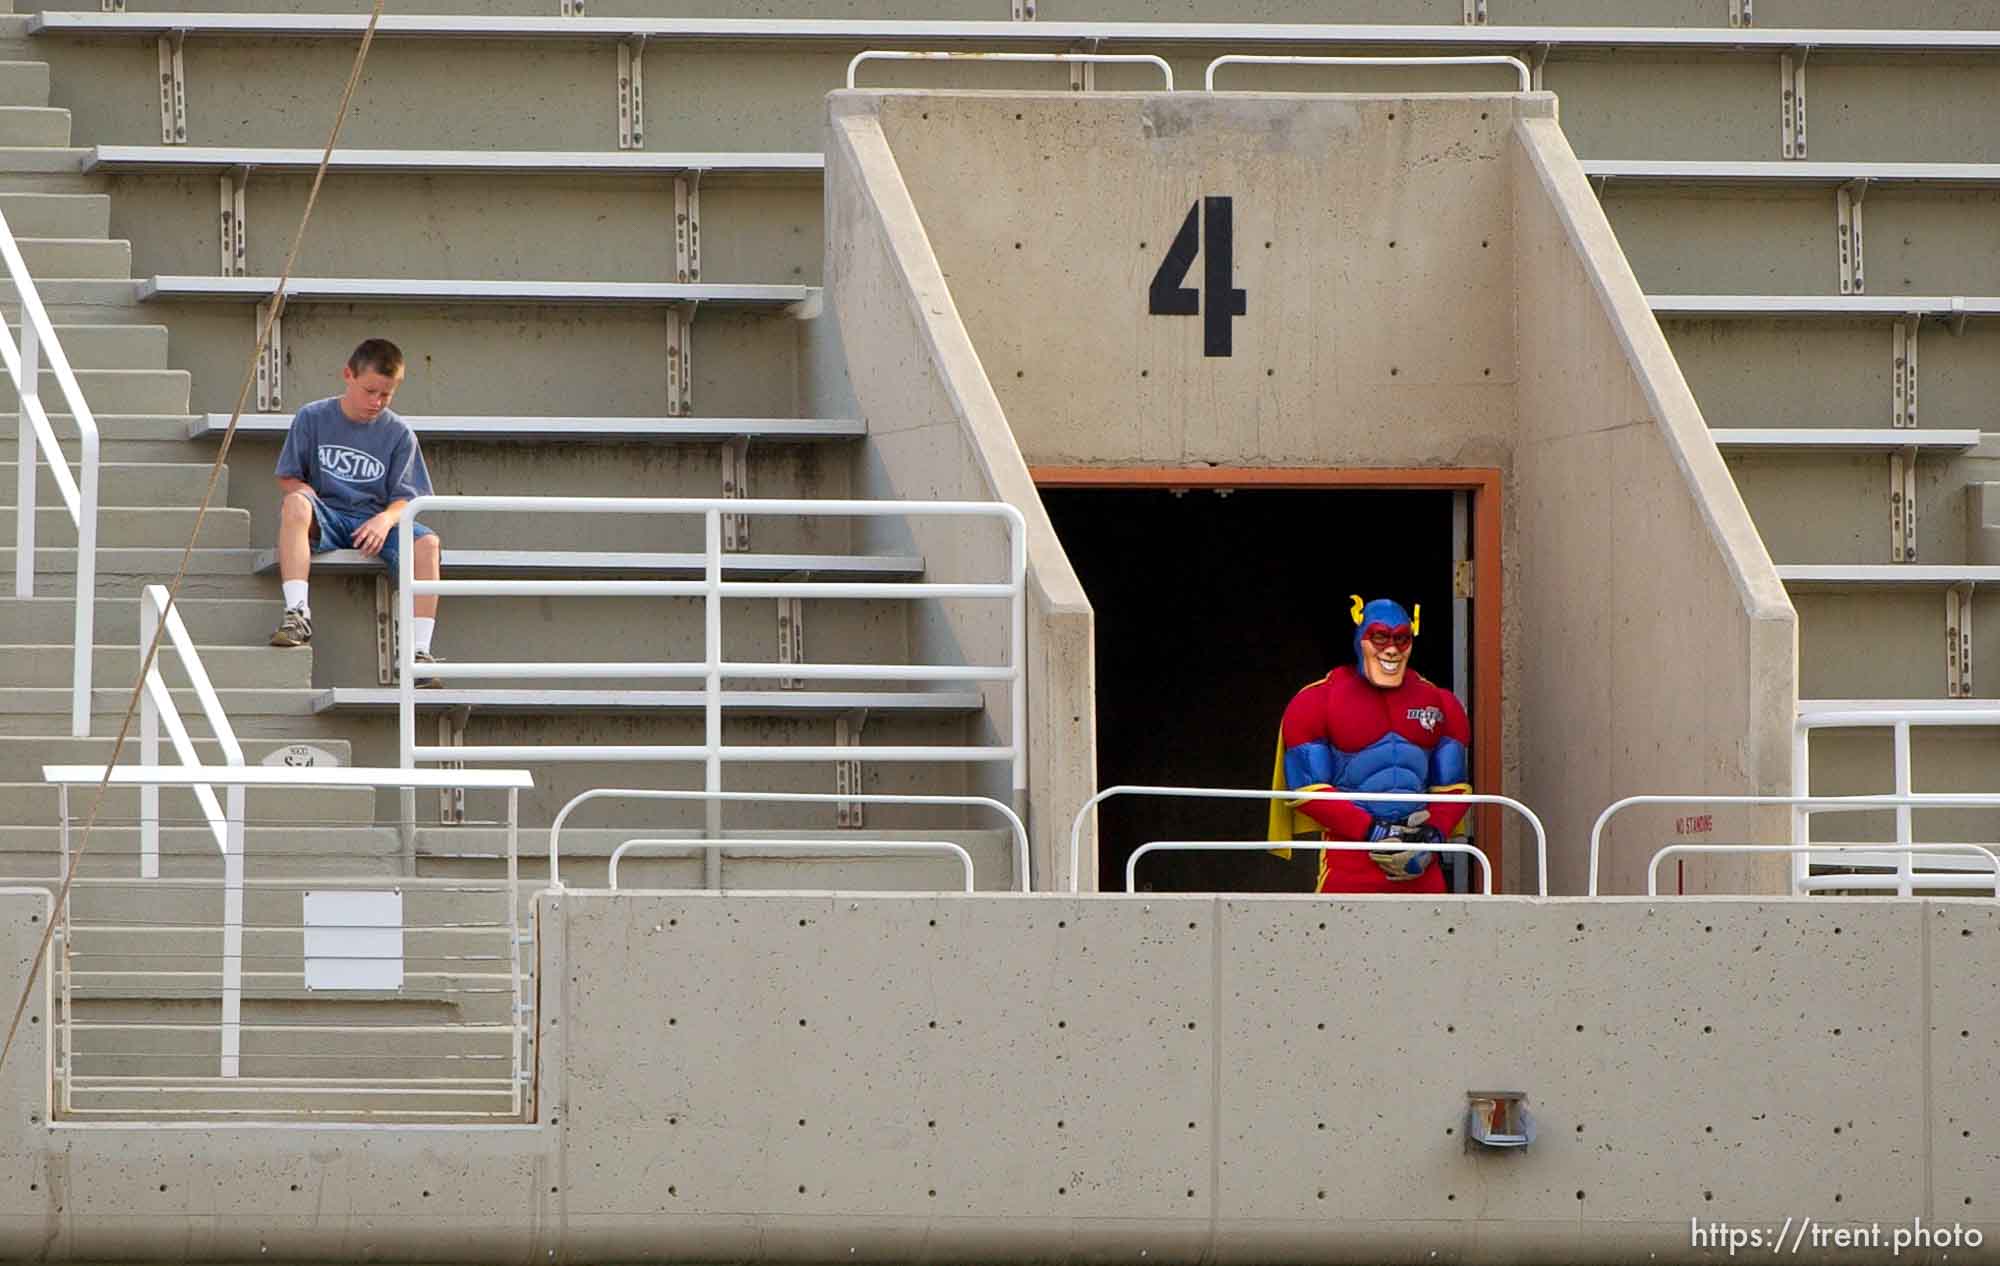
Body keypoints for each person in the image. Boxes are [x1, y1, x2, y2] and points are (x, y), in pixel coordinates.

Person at [1268, 595, 1471, 894]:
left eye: (1402, 639)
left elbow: (1453, 787)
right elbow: (1308, 790)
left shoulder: (1442, 703)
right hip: (1348, 859)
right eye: (1380, 637)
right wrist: (1373, 831)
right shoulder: (1316, 701)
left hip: (1420, 864)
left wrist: (1433, 836)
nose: (1391, 649)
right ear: (1360, 638)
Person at [269, 338, 441, 682]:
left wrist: (385, 518)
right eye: (370, 391)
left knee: (428, 544)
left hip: (376, 520)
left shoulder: (399, 434)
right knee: (294, 505)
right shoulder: (312, 417)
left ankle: (418, 652)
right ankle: (297, 613)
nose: (376, 402)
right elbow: (288, 477)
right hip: (328, 513)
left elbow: (408, 498)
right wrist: (300, 490)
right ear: (348, 375)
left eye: (387, 394)